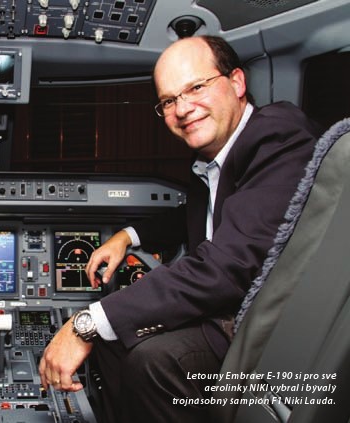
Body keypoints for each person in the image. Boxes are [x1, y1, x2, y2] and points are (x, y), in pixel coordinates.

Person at [38, 35, 323, 422]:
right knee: (113, 342)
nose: (183, 109)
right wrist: (127, 236)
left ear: (237, 82)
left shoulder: (277, 139)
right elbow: (196, 216)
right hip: (234, 313)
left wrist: (85, 324)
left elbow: (226, 266)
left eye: (196, 87)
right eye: (169, 100)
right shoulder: (215, 160)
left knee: (153, 360)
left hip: (264, 329)